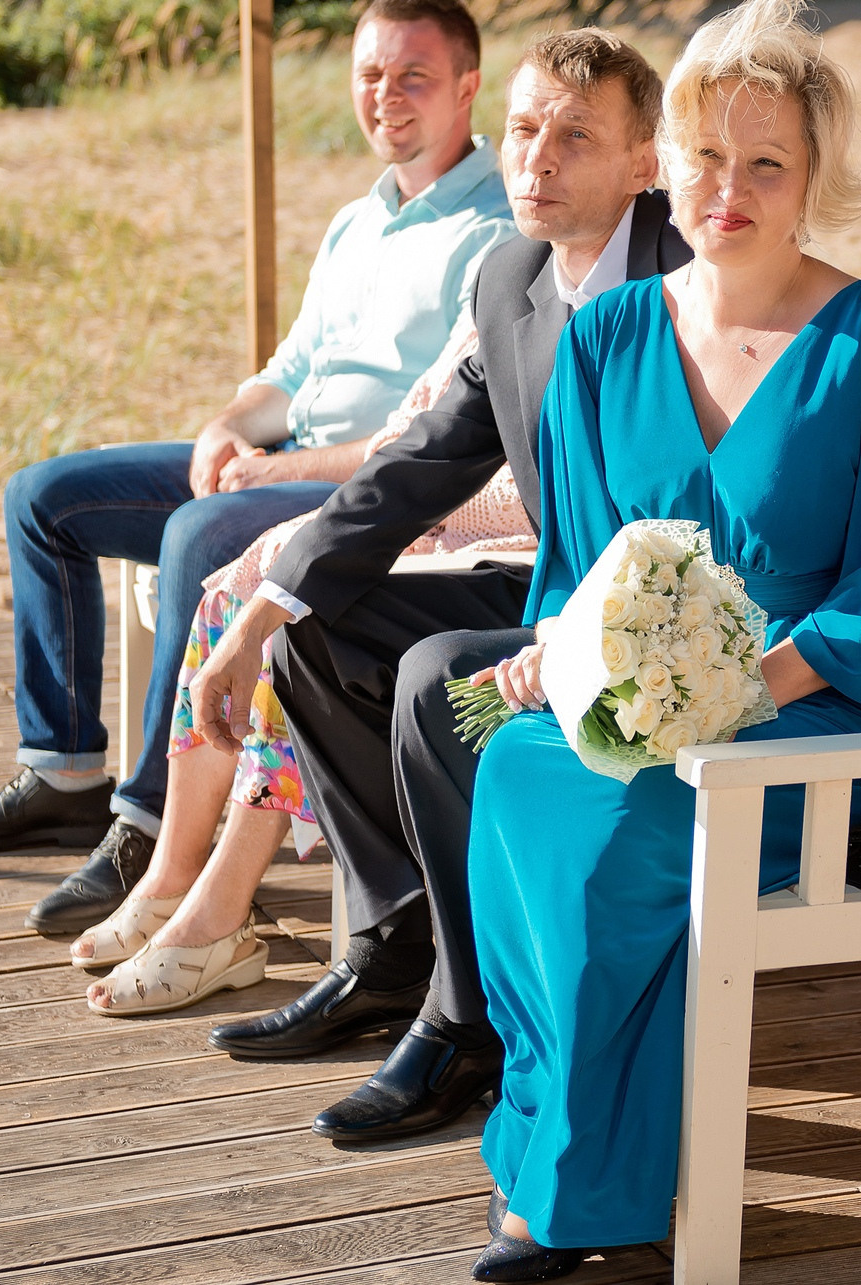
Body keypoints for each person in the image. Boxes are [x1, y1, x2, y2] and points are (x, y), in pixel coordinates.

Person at [461, 0, 861, 1281]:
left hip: (818, 711)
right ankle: (546, 1133)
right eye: (707, 156)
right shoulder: (609, 338)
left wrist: (742, 687)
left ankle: (578, 1194)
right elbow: (582, 569)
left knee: (625, 828)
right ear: (666, 169)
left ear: (813, 178)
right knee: (518, 769)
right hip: (650, 714)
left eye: (767, 161)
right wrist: (561, 659)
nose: (730, 187)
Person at [0, 0, 515, 935]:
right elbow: (291, 370)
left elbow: (433, 437)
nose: (386, 95)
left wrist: (287, 469)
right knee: (44, 498)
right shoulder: (359, 220)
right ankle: (64, 766)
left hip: (363, 489)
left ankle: (149, 825)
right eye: (369, 75)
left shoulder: (493, 233)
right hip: (280, 457)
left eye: (414, 77)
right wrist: (229, 423)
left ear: (468, 87)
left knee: (196, 533)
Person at [174, 29, 688, 1141]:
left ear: (644, 160)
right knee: (322, 634)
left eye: (573, 135)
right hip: (549, 594)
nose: (534, 159)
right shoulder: (509, 272)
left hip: (657, 622)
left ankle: (470, 1019)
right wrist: (265, 606)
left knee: (430, 673)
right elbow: (416, 467)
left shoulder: (686, 279)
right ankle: (397, 945)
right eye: (522, 130)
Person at [60, 307, 538, 1015]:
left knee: (310, 619)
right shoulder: (509, 281)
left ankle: (219, 912)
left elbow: (517, 496)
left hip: (502, 551)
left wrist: (419, 515)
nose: (531, 186)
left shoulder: (613, 297)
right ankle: (171, 877)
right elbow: (407, 437)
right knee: (245, 592)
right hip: (424, 521)